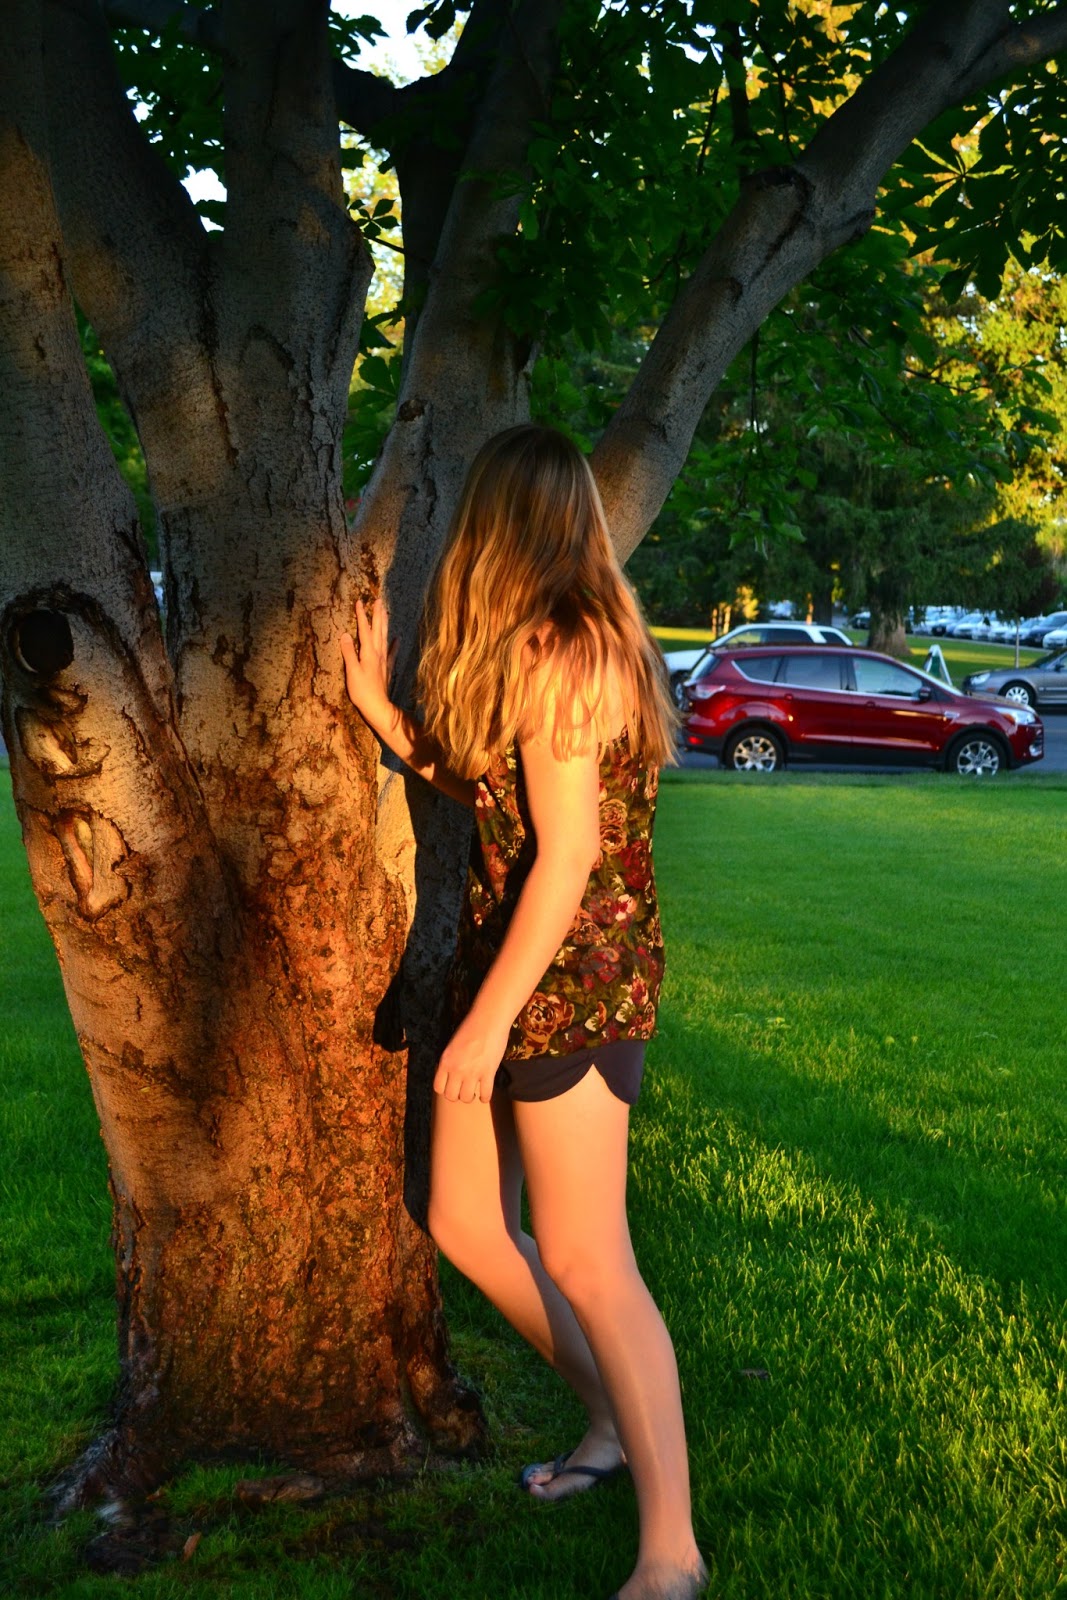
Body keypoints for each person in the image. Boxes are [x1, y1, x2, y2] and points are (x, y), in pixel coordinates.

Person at [340, 425, 707, 1600]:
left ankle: (671, 1552)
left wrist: (487, 1023)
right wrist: (385, 721)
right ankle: (607, 1419)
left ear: (498, 523)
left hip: (575, 984)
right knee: (461, 1217)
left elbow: (568, 853)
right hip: (517, 971)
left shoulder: (570, 649)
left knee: (592, 1256)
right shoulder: (546, 644)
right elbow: (499, 791)